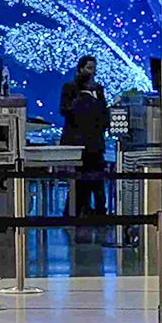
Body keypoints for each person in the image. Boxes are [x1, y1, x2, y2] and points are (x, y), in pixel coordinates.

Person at [60, 55, 110, 220]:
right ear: (80, 69)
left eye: (94, 68)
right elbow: (65, 111)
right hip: (78, 142)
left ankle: (98, 211)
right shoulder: (69, 88)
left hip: (94, 141)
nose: (92, 72)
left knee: (97, 179)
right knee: (81, 179)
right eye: (89, 68)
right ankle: (77, 210)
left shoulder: (98, 89)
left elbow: (104, 116)